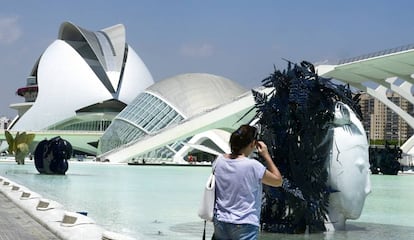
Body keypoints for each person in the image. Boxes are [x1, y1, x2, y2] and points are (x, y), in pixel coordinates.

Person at [213, 124, 283, 240]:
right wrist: (266, 156)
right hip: (245, 222)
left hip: (221, 221)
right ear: (252, 144)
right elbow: (278, 181)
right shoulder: (253, 166)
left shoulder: (218, 161)